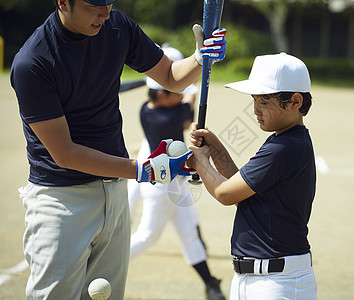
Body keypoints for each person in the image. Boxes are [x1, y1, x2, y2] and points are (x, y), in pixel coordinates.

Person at [9, 0, 226, 298]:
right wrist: (142, 170)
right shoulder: (33, 62)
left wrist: (199, 58)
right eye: (93, 5)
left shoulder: (117, 27)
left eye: (109, 3)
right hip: (61, 200)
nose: (105, 13)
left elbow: (171, 78)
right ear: (63, 2)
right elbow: (65, 153)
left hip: (114, 191)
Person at [187, 52, 318, 300]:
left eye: (265, 102)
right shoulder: (282, 140)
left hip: (279, 282)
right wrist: (214, 148)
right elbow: (241, 191)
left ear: (295, 101)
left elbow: (225, 194)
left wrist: (200, 160)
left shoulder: (285, 147)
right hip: (257, 279)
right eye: (255, 100)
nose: (256, 110)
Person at [127, 45, 225, 300]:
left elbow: (180, 104)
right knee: (148, 236)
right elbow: (185, 120)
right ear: (159, 96)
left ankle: (210, 284)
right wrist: (191, 96)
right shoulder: (160, 118)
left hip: (176, 183)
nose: (179, 95)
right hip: (160, 185)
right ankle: (106, 264)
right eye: (173, 93)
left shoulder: (150, 107)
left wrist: (183, 92)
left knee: (190, 236)